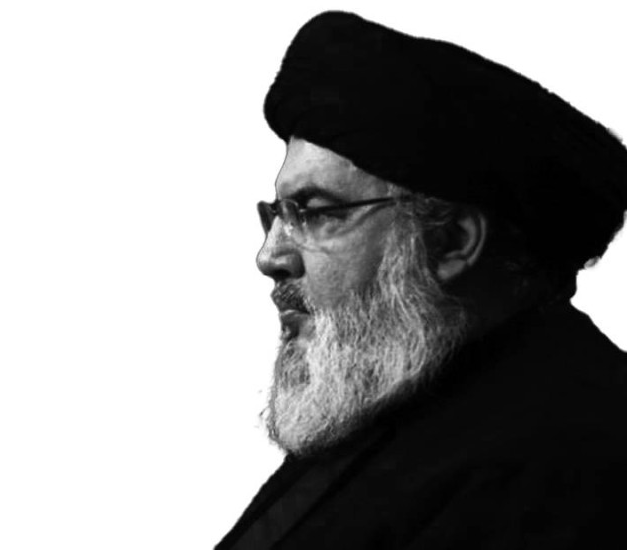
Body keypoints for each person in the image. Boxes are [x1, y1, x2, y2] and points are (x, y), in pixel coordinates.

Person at [216, 11, 627, 550]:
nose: (270, 256)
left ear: (451, 242)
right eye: (278, 215)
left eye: (315, 213)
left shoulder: (572, 459)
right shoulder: (392, 392)